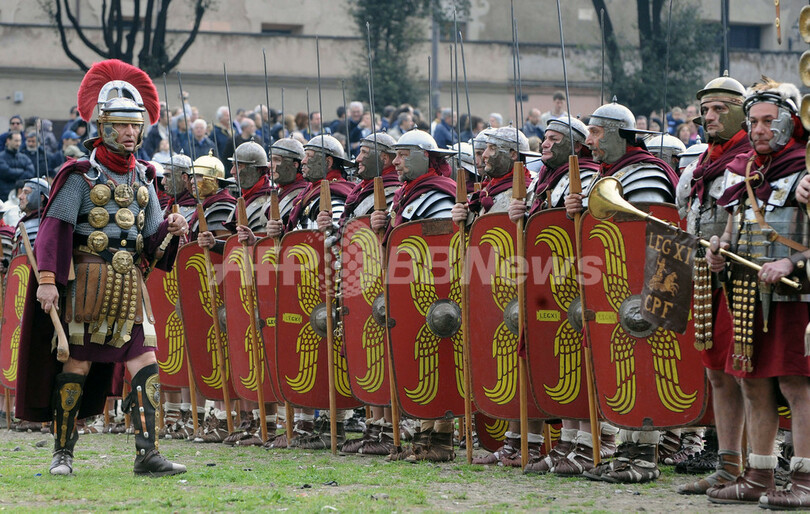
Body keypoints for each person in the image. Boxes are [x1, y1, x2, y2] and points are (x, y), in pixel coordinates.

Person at [15, 59, 189, 477]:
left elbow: (151, 243)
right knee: (76, 366)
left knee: (146, 364)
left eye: (136, 126)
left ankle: (148, 453)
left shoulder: (144, 177)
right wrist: (47, 281)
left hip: (129, 287)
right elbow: (54, 230)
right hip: (86, 286)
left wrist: (171, 229)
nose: (130, 133)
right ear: (104, 127)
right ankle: (62, 452)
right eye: (122, 125)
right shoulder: (80, 175)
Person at [706, 78, 810, 509]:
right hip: (747, 294)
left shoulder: (805, 169)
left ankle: (804, 479)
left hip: (795, 297)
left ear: (790, 122)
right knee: (751, 384)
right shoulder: (744, 170)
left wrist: (792, 263)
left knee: (797, 384)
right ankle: (759, 474)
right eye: (753, 121)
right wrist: (719, 251)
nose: (759, 129)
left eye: (768, 121)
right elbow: (734, 229)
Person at [565, 100, 679, 484]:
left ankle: (644, 457)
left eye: (596, 132)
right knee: (623, 368)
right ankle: (625, 453)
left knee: (646, 366)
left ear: (618, 133)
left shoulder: (646, 172)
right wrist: (577, 212)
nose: (589, 140)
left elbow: (650, 230)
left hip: (647, 286)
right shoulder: (606, 175)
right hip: (615, 288)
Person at [675, 74, 749, 496]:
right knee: (718, 375)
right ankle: (728, 466)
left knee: (749, 376)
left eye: (719, 108)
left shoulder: (753, 161)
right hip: (707, 279)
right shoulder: (699, 167)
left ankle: (761, 464)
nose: (709, 116)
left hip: (745, 280)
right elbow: (687, 220)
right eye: (705, 109)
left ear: (740, 111)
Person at [370, 130, 458, 462]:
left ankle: (442, 439)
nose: (395, 162)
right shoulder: (407, 195)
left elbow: (443, 247)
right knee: (419, 360)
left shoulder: (440, 194)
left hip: (438, 291)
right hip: (411, 289)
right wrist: (381, 229)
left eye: (403, 155)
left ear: (424, 156)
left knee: (441, 361)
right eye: (395, 155)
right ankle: (423, 437)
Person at [314, 132, 401, 455]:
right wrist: (331, 229)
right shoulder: (361, 193)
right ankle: (374, 426)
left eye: (365, 152)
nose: (358, 158)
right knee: (367, 351)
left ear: (385, 157)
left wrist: (385, 223)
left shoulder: (392, 190)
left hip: (385, 283)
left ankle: (389, 429)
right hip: (358, 281)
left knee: (385, 353)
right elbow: (347, 239)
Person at [0, 132, 35, 201]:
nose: (18, 143)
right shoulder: (1, 157)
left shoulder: (24, 158)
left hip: (22, 196)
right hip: (4, 196)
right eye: (16, 141)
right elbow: (6, 172)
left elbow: (30, 172)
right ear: (8, 141)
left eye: (19, 141)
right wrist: (22, 171)